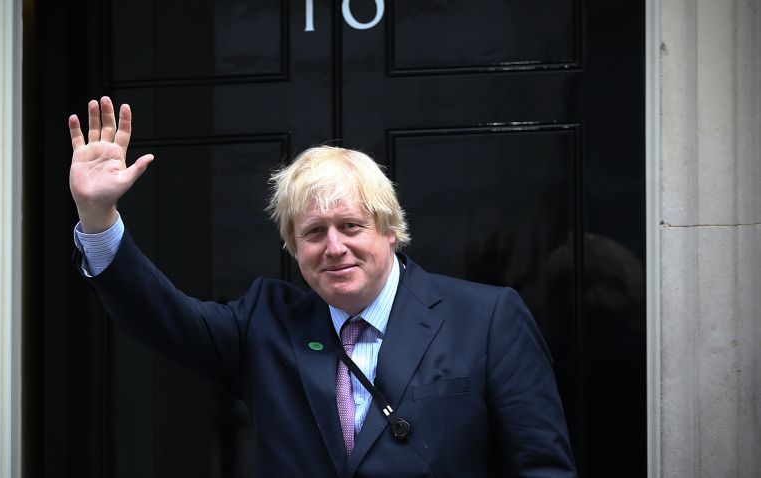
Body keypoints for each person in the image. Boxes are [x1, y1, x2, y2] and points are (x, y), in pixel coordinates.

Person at [69, 97, 578, 477]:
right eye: (313, 232)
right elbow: (161, 316)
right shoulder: (266, 324)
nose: (333, 247)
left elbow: (542, 466)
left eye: (350, 226)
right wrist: (97, 214)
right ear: (294, 247)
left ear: (390, 228)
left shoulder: (486, 319)